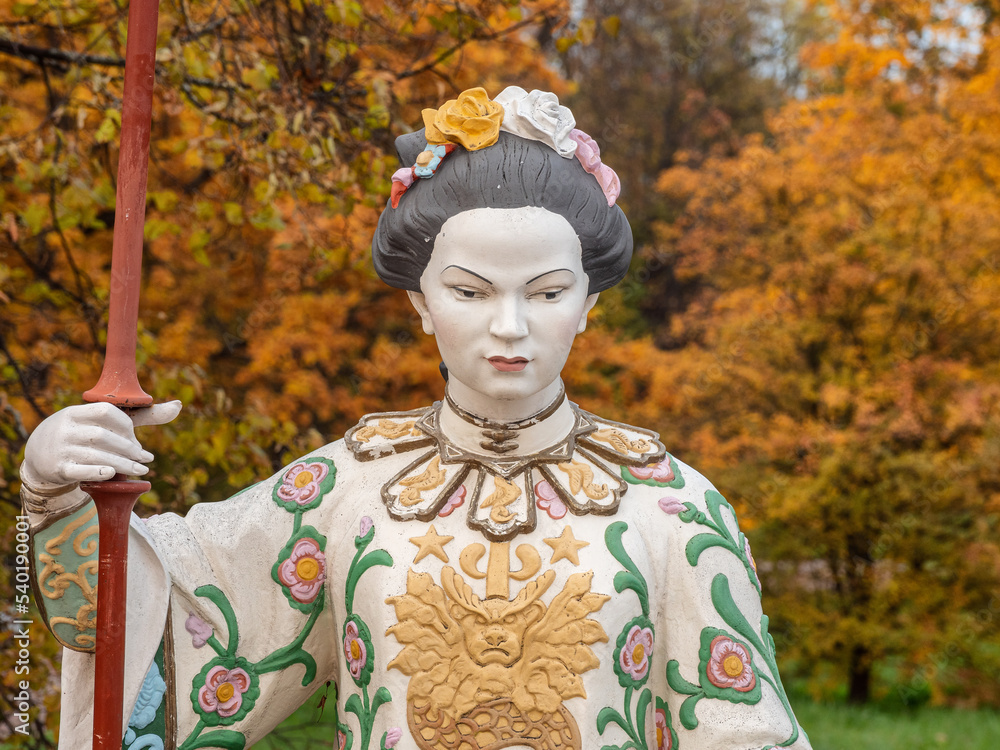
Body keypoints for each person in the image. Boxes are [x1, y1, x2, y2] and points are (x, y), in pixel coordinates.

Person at [21, 86, 811, 750]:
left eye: (545, 292)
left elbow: (741, 730)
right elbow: (163, 618)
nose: (509, 326)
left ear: (589, 301)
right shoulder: (347, 489)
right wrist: (59, 490)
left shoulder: (673, 508)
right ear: (421, 302)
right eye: (470, 291)